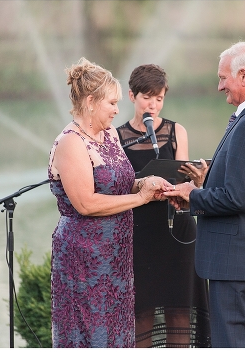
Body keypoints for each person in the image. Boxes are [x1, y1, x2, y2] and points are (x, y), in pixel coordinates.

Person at [164, 41, 245, 348]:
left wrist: (193, 195)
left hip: (237, 264)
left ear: (244, 76)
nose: (219, 86)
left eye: (223, 78)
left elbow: (236, 198)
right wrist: (201, 190)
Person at [48, 57, 170, 347]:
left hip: (116, 255)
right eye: (111, 103)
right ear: (90, 102)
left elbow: (120, 184)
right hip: (84, 257)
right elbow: (86, 204)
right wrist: (140, 198)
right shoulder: (71, 142)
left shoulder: (111, 135)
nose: (118, 110)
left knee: (116, 332)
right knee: (89, 334)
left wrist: (146, 184)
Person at [116, 64, 211, 347]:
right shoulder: (116, 137)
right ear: (132, 96)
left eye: (159, 98)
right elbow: (118, 186)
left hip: (177, 230)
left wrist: (197, 181)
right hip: (139, 232)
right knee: (140, 312)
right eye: (147, 97)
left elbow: (185, 180)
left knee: (180, 309)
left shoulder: (175, 131)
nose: (153, 105)